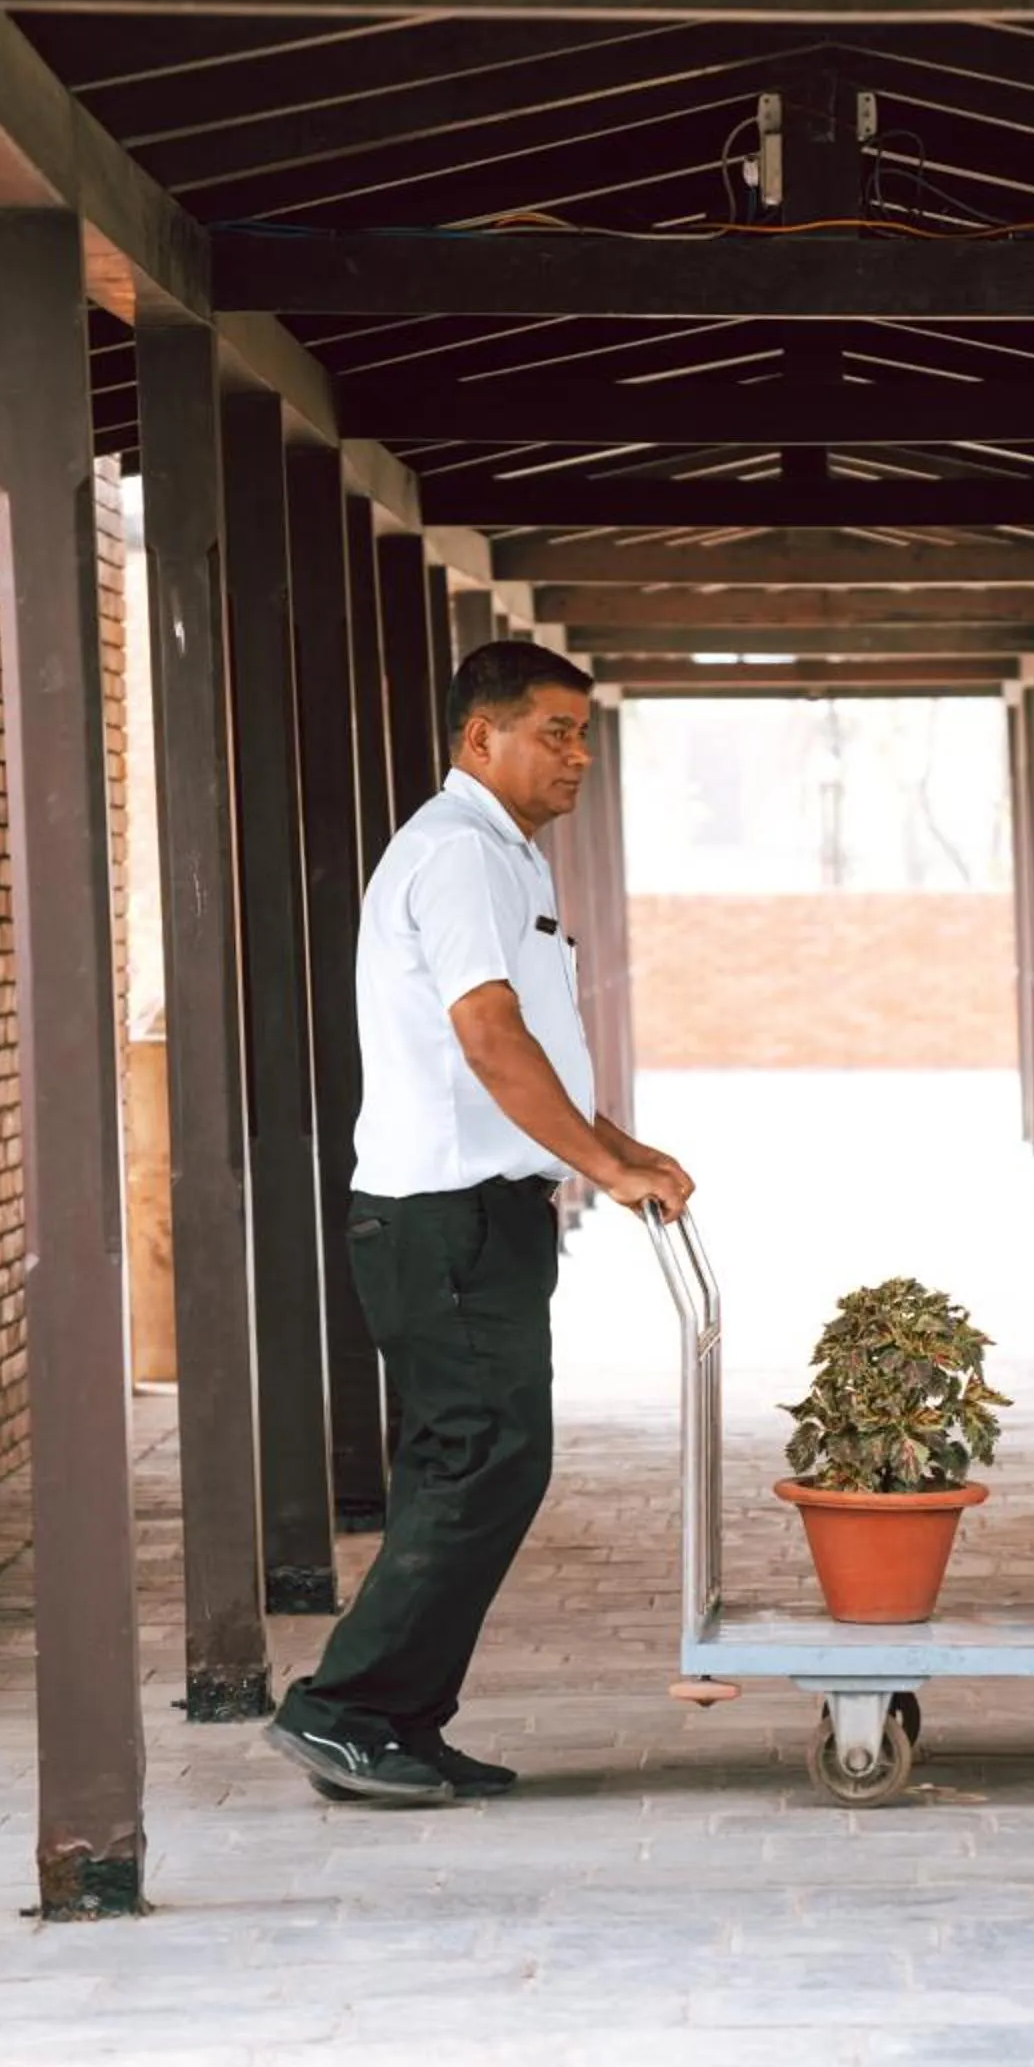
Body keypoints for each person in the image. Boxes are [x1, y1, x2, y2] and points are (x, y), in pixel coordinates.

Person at [267, 638, 694, 1806]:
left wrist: (615, 1138)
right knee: (489, 1458)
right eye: (554, 731)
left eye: (586, 734)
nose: (578, 755)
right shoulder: (456, 856)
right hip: (439, 1217)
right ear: (479, 738)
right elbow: (488, 1035)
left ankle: (394, 1720)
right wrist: (604, 1167)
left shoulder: (506, 860)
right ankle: (344, 1708)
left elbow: (537, 1048)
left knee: (462, 1465)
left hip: (479, 1215)